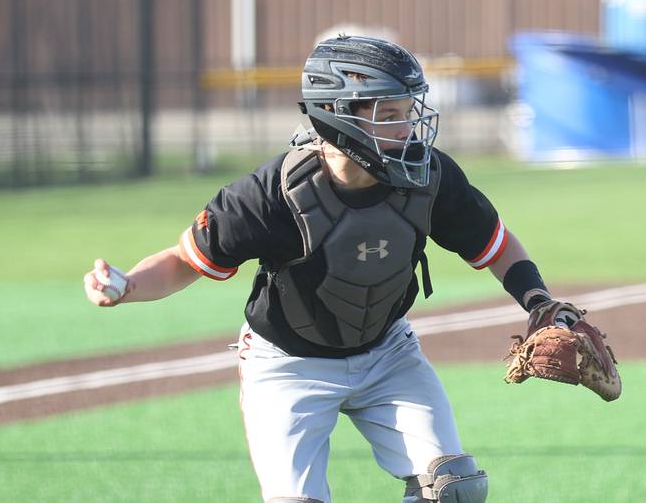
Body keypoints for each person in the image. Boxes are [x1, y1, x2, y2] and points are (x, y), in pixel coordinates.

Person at [84, 36, 566, 503]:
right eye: (389, 116)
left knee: (454, 488)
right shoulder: (268, 195)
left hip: (387, 354)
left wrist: (538, 300)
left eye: (408, 112)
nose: (408, 130)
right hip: (287, 365)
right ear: (338, 116)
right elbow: (184, 261)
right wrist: (127, 286)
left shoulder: (428, 176)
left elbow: (496, 245)